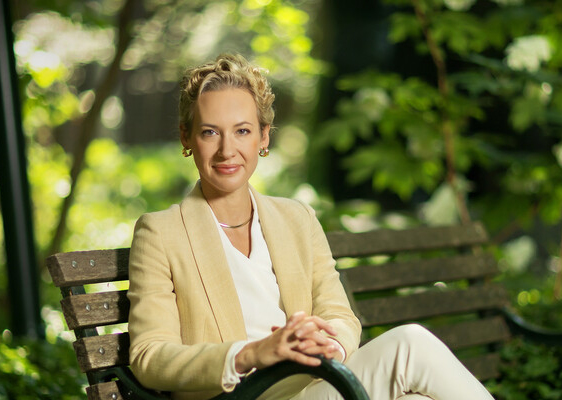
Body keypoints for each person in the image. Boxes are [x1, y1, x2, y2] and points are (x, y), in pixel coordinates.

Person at [127, 53, 494, 400]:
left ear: (264, 137)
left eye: (242, 131)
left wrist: (331, 344)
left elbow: (338, 314)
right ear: (186, 137)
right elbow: (149, 356)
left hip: (317, 385)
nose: (227, 150)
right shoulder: (161, 233)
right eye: (210, 132)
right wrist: (252, 354)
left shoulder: (296, 219)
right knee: (411, 345)